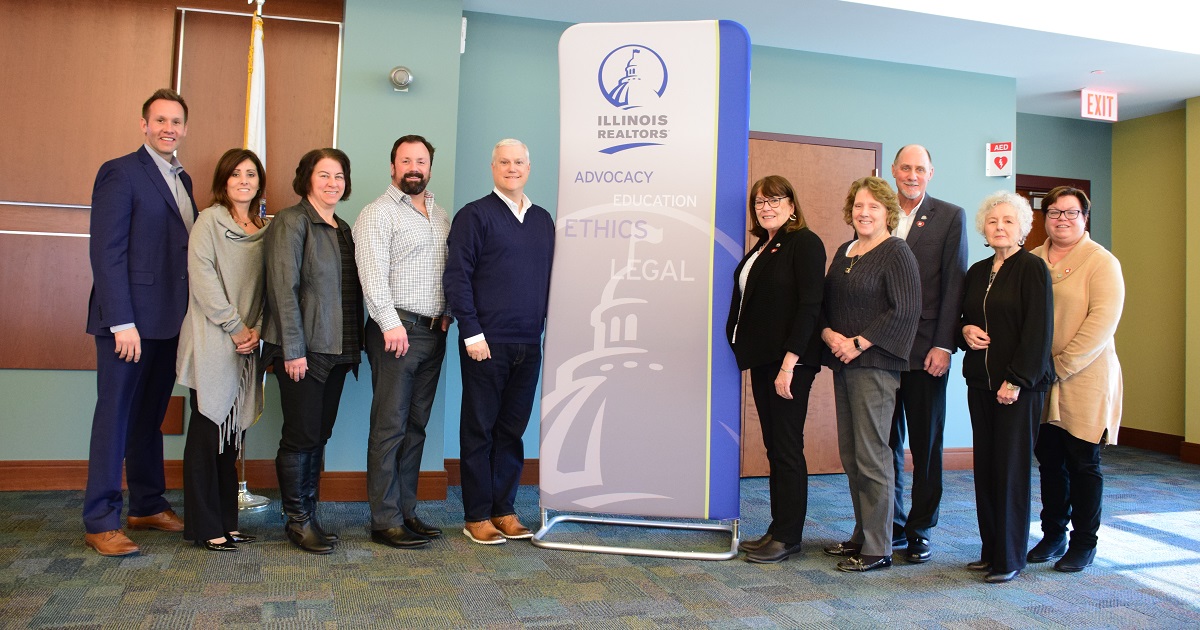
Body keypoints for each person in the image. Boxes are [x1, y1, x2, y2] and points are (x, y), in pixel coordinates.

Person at [83, 88, 195, 556]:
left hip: (169, 320)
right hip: (127, 324)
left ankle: (147, 504)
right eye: (160, 120)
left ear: (184, 129)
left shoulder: (183, 179)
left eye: (176, 121)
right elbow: (106, 253)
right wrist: (120, 321)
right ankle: (100, 519)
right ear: (144, 124)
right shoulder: (120, 172)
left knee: (150, 418)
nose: (169, 128)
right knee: (115, 418)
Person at [444, 138, 555, 545]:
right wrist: (471, 332)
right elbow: (457, 276)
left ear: (529, 167)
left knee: (511, 430)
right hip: (485, 343)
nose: (512, 168)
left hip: (529, 343)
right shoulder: (474, 215)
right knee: (480, 429)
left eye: (519, 162)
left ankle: (503, 510)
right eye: (504, 162)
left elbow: (550, 280)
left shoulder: (542, 219)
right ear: (493, 168)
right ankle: (476, 515)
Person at [262, 148, 361, 554]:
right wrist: (293, 348)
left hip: (338, 348)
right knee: (301, 436)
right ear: (307, 179)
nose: (332, 183)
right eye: (324, 175)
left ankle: (310, 514)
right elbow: (282, 289)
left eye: (339, 176)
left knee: (319, 434)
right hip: (304, 350)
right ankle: (298, 521)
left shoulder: (342, 227)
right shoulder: (292, 221)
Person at [354, 135, 451, 549]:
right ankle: (385, 519)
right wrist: (389, 323)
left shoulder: (439, 214)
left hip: (432, 332)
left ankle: (406, 511)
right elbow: (371, 273)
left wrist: (446, 312)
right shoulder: (377, 213)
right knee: (390, 427)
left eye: (421, 161)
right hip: (396, 332)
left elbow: (447, 269)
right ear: (392, 166)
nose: (414, 167)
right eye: (406, 160)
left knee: (416, 427)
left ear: (429, 167)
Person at [820, 177, 921, 573]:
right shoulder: (845, 251)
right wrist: (828, 334)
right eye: (858, 206)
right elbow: (826, 302)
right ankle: (862, 534)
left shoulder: (897, 252)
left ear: (887, 213)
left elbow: (905, 310)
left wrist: (859, 343)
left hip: (875, 366)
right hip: (843, 363)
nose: (864, 213)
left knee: (873, 455)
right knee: (851, 454)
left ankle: (879, 547)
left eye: (873, 207)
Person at [726, 175, 826, 564]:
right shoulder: (764, 246)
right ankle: (777, 527)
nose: (766, 207)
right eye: (759, 202)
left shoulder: (805, 243)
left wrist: (789, 363)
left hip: (790, 363)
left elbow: (809, 306)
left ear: (791, 205)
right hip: (765, 361)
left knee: (786, 447)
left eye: (774, 200)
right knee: (775, 446)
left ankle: (788, 536)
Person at [1028, 186, 1124, 573]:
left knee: (1083, 462)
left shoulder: (1101, 262)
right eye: (1054, 212)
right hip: (1040, 378)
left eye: (1071, 212)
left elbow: (1101, 323)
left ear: (1085, 218)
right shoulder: (1032, 260)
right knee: (1049, 461)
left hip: (1085, 376)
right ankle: (1054, 535)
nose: (1062, 219)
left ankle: (1085, 542)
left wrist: (1060, 366)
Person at [959, 191, 1053, 584]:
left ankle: (1011, 557)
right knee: (986, 469)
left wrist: (1015, 379)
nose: (999, 227)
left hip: (1018, 387)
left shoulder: (1032, 268)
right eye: (993, 221)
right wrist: (965, 330)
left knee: (1011, 472)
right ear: (983, 227)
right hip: (980, 383)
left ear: (1023, 228)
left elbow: (1038, 330)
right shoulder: (977, 271)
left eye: (1008, 221)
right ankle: (991, 551)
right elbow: (964, 318)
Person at [177, 148, 268, 552]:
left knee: (230, 440)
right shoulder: (208, 221)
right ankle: (204, 526)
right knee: (206, 434)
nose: (243, 181)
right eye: (235, 174)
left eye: (251, 174)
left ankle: (227, 522)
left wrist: (257, 329)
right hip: (212, 339)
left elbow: (269, 288)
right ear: (223, 181)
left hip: (248, 343)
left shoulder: (264, 228)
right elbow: (203, 279)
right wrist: (234, 327)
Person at [887, 145, 968, 562]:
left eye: (920, 168)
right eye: (906, 167)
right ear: (894, 170)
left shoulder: (950, 216)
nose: (912, 175)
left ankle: (920, 529)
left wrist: (943, 344)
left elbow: (955, 283)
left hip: (926, 351)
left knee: (926, 444)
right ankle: (890, 524)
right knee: (884, 444)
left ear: (931, 173)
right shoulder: (879, 211)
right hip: (882, 350)